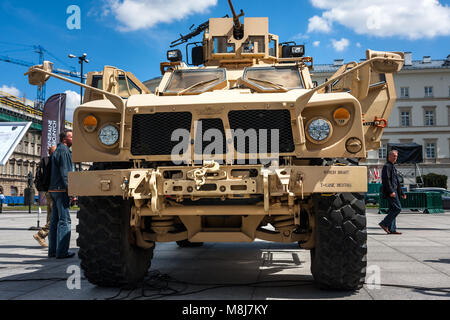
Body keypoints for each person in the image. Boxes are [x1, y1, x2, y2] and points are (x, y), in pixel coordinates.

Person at [48, 130, 75, 259]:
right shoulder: (64, 151)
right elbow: (66, 173)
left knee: (54, 221)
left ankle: (52, 251)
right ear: (65, 139)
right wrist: (71, 190)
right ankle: (62, 252)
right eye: (71, 136)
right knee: (65, 221)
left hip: (53, 189)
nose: (73, 138)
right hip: (61, 189)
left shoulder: (57, 150)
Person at [33, 145, 57, 247]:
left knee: (50, 215)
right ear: (53, 153)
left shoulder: (45, 161)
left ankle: (49, 240)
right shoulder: (53, 161)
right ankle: (41, 234)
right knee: (56, 215)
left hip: (48, 190)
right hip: (54, 190)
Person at [379, 150, 406, 235]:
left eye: (396, 156)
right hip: (390, 192)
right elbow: (386, 180)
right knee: (398, 208)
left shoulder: (392, 166)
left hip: (394, 191)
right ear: (389, 156)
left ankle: (392, 229)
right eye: (394, 156)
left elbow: (396, 182)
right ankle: (384, 223)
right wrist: (391, 191)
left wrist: (401, 193)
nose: (395, 157)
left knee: (393, 209)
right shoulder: (387, 166)